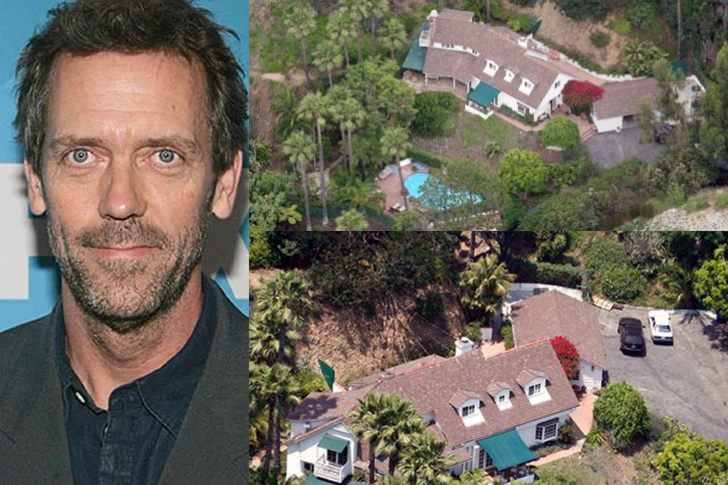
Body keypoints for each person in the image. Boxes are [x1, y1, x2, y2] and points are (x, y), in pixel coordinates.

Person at [0, 1, 248, 484]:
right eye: (82, 155)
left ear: (224, 184)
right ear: (34, 181)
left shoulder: (289, 404)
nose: (120, 201)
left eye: (164, 156)